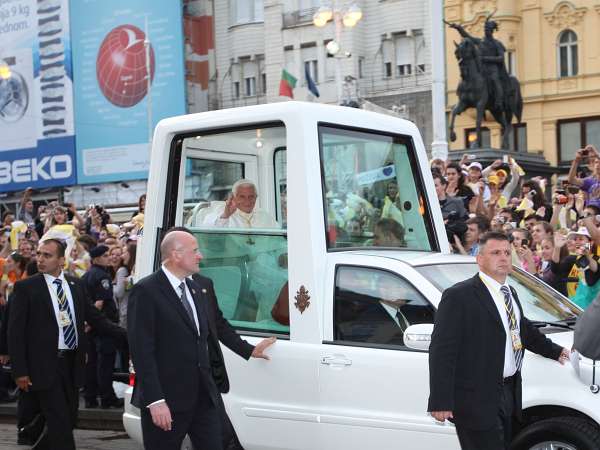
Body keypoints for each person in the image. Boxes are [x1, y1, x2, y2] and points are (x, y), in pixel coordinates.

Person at [128, 230, 276, 450]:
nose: (201, 256)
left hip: (204, 396)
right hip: (167, 400)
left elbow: (217, 325)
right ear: (176, 255)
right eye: (195, 251)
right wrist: (156, 401)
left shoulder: (198, 288)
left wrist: (248, 349)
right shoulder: (146, 291)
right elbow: (142, 351)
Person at [428, 231, 570, 450]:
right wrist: (440, 400)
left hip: (509, 393)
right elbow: (442, 350)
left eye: (506, 252)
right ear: (480, 259)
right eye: (495, 253)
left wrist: (555, 351)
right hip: (476, 398)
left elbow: (521, 329)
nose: (503, 257)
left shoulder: (509, 292)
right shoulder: (459, 296)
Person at [7, 238, 125, 450]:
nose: (40, 259)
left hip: (72, 363)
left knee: (68, 419)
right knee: (59, 421)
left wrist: (129, 335)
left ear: (62, 260)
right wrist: (20, 371)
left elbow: (96, 319)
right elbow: (15, 332)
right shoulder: (26, 288)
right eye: (39, 254)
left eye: (47, 255)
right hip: (43, 365)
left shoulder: (75, 284)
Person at [82, 245, 122, 409]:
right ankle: (107, 398)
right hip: (103, 325)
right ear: (97, 258)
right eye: (105, 255)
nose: (109, 258)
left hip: (90, 327)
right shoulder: (102, 276)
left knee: (91, 363)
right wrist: (92, 323)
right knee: (105, 363)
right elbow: (99, 303)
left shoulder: (86, 276)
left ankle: (90, 398)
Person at [202, 179, 278, 228]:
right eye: (242, 197)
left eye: (251, 196)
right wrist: (226, 215)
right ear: (233, 197)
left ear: (256, 197)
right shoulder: (221, 211)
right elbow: (207, 230)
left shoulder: (264, 215)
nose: (247, 201)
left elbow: (279, 239)